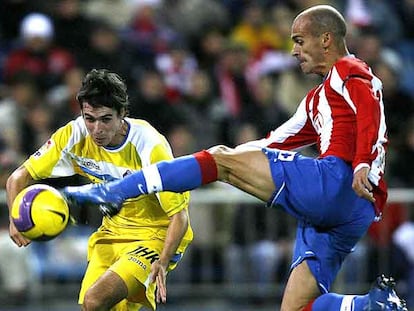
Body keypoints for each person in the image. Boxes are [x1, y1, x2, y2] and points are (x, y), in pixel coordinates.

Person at [62, 5, 407, 311]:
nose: (294, 51)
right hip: (350, 211)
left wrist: (365, 163)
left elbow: (371, 111)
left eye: (300, 40)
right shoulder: (317, 100)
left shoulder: (351, 70)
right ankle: (369, 305)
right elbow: (273, 144)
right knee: (297, 307)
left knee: (220, 160)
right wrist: (229, 161)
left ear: (327, 39)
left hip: (338, 182)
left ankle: (119, 190)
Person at [6, 68, 193, 311]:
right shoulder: (74, 135)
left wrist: (163, 260)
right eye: (89, 119)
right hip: (111, 233)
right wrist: (15, 218)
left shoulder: (150, 145)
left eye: (106, 119)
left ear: (122, 114)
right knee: (94, 307)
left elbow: (180, 216)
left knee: (96, 300)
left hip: (155, 235)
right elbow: (18, 177)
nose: (96, 129)